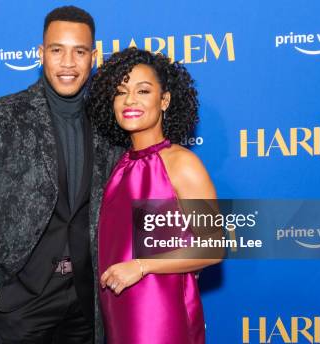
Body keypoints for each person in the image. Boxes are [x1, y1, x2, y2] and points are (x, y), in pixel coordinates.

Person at [0, 6, 123, 344]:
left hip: (86, 305)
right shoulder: (1, 116)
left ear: (93, 56)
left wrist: (187, 249)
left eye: (80, 51)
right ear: (41, 54)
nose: (68, 63)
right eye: (57, 50)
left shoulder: (108, 126)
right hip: (19, 304)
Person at [86, 47, 222, 344]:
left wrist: (142, 266)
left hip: (162, 315)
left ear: (165, 100)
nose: (130, 100)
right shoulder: (119, 166)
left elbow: (214, 247)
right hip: (118, 313)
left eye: (143, 90)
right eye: (121, 92)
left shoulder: (181, 163)